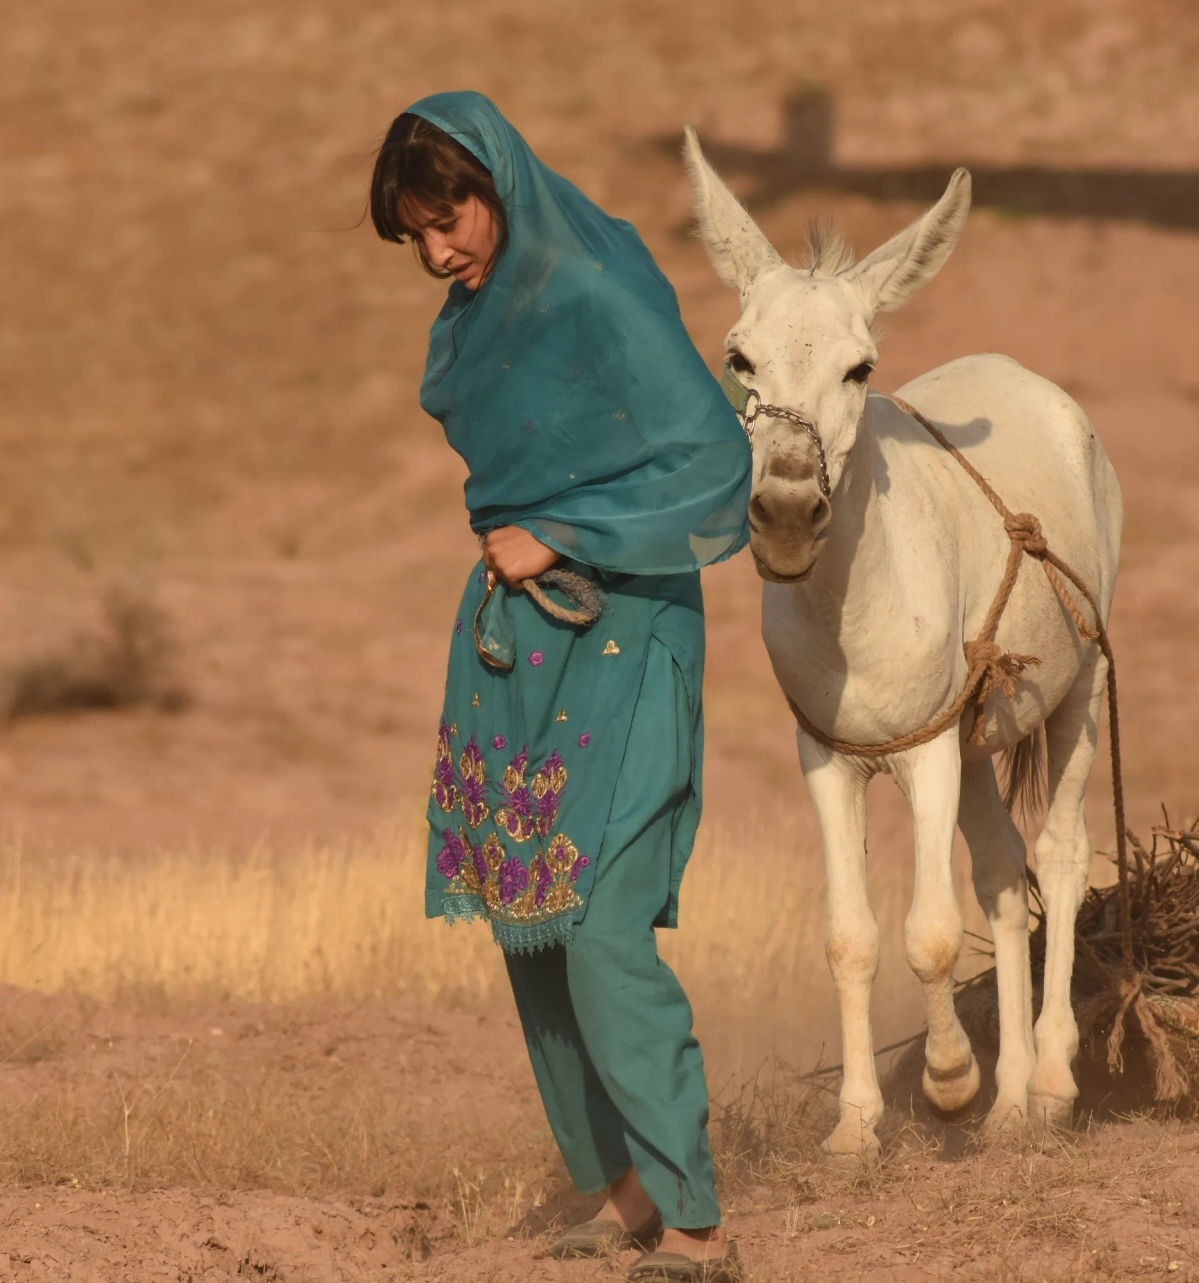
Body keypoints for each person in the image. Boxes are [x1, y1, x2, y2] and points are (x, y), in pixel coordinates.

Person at [369, 92, 752, 1283]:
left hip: (626, 625)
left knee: (599, 924)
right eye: (416, 236)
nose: (439, 251)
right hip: (517, 639)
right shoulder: (479, 316)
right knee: (528, 920)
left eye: (452, 216)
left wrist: (564, 529)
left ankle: (696, 1220)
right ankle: (624, 1185)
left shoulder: (593, 290)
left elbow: (712, 462)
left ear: (501, 184)